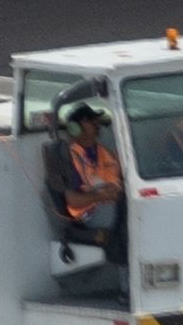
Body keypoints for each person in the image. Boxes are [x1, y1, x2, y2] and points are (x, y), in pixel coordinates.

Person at [43, 94, 124, 258]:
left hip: (111, 206)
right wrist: (100, 195)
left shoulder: (105, 152)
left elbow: (119, 182)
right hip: (88, 216)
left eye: (96, 120)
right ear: (75, 128)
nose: (96, 124)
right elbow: (73, 201)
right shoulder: (70, 157)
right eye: (89, 120)